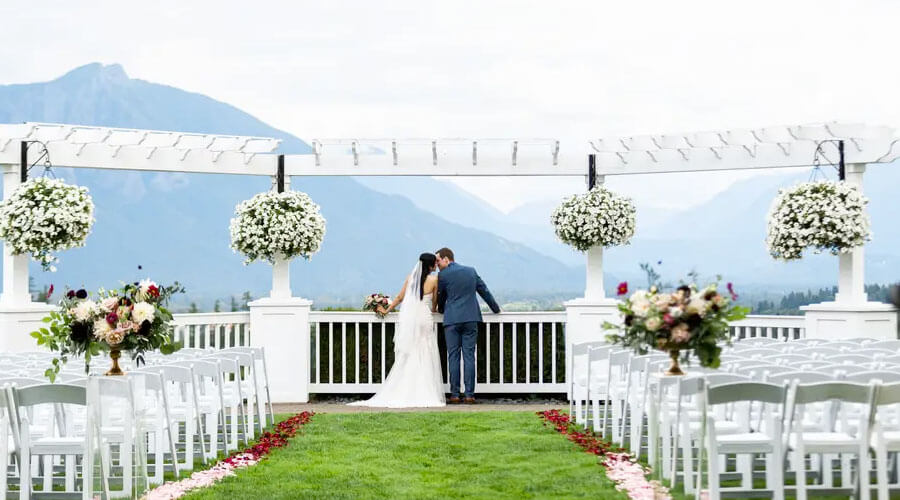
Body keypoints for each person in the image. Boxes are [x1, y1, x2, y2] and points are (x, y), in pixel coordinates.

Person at [349, 253, 445, 408]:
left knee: (411, 351)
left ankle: (406, 387)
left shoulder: (410, 278)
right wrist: (434, 309)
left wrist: (387, 310)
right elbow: (434, 303)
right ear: (430, 265)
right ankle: (424, 389)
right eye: (434, 263)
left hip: (412, 318)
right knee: (425, 349)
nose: (436, 265)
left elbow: (400, 298)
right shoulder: (434, 280)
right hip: (424, 317)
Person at [435, 247, 501, 404]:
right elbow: (484, 291)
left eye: (438, 260)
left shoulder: (443, 275)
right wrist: (496, 309)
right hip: (471, 318)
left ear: (446, 259)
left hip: (451, 319)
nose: (437, 264)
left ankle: (455, 394)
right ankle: (470, 394)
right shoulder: (471, 271)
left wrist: (442, 310)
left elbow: (441, 297)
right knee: (470, 356)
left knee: (453, 357)